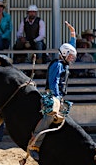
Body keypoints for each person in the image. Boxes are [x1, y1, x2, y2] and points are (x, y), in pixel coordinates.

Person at [28, 21, 77, 161]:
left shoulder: (63, 62)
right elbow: (54, 81)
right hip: (53, 95)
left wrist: (73, 34)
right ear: (64, 54)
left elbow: (70, 47)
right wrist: (55, 97)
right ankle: (34, 144)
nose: (72, 58)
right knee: (49, 117)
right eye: (70, 56)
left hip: (59, 96)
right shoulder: (57, 65)